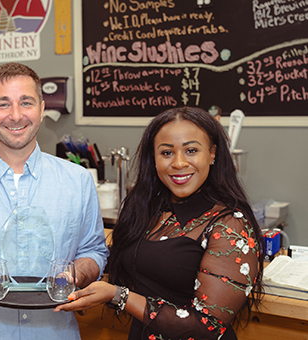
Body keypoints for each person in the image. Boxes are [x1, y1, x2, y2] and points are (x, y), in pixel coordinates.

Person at [0, 62, 109, 340]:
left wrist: (76, 274)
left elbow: (95, 251)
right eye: (3, 104)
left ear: (40, 107)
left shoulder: (79, 181)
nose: (15, 115)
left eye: (25, 102)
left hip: (56, 333)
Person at [55, 106, 264, 340]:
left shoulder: (229, 225)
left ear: (212, 153)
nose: (179, 163)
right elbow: (127, 260)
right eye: (166, 153)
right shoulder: (150, 209)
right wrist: (81, 271)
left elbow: (206, 327)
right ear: (153, 158)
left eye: (191, 150)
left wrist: (118, 295)